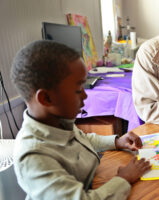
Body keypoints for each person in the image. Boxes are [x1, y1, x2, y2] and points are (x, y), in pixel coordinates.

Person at [11, 40, 151, 200]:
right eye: (78, 90)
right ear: (46, 98)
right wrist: (124, 179)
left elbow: (82, 139)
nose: (85, 96)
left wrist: (117, 142)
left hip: (95, 182)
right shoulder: (34, 158)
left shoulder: (57, 122)